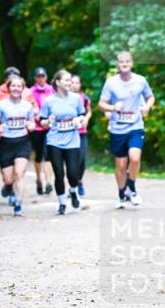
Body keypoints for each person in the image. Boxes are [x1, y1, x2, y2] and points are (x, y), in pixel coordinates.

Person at [98, 51, 155, 208]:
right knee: (121, 165)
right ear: (117, 64)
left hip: (135, 126)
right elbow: (101, 104)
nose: (124, 64)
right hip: (117, 129)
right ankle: (121, 194)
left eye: (127, 61)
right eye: (121, 61)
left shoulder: (140, 81)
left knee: (135, 158)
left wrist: (147, 107)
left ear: (132, 63)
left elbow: (150, 97)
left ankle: (132, 187)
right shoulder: (111, 83)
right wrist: (112, 107)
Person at [39, 70, 87, 215]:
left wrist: (79, 120)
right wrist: (48, 121)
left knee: (73, 174)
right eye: (66, 80)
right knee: (59, 174)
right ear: (58, 82)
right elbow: (42, 122)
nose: (70, 83)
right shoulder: (49, 101)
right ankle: (61, 204)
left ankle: (72, 191)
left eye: (70, 80)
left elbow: (82, 115)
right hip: (54, 142)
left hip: (72, 141)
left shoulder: (76, 99)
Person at [0, 67, 37, 198]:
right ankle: (8, 185)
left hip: (22, 140)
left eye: (18, 85)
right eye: (12, 83)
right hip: (4, 138)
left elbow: (33, 110)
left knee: (19, 173)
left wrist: (32, 122)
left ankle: (18, 203)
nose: (15, 88)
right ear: (7, 82)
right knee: (8, 177)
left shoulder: (27, 97)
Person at [28, 67, 56, 196]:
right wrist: (35, 116)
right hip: (37, 127)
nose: (41, 79)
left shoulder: (52, 90)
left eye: (43, 76)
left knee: (48, 154)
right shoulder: (30, 91)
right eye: (38, 76)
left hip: (50, 127)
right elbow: (27, 108)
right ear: (35, 78)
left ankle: (49, 181)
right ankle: (39, 179)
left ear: (46, 77)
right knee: (38, 155)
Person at [70, 74, 92, 196]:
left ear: (80, 85)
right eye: (72, 82)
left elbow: (89, 111)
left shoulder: (84, 98)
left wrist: (87, 119)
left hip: (82, 133)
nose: (74, 85)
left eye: (77, 83)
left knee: (82, 159)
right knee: (72, 160)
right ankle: (73, 183)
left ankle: (79, 181)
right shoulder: (65, 98)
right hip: (69, 134)